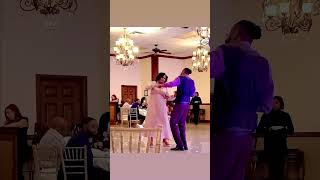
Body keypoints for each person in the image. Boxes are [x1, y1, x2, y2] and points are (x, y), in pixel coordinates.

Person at [211, 20, 274, 180]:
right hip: (247, 131)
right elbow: (266, 105)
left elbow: (205, 69)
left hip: (225, 127)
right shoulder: (263, 62)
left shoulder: (224, 52)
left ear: (237, 32)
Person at [256, 96, 294, 180]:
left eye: (276, 102)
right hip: (269, 146)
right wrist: (269, 130)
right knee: (270, 170)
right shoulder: (266, 115)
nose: (274, 104)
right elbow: (259, 130)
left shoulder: (285, 115)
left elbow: (291, 130)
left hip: (281, 146)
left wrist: (282, 130)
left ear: (281, 104)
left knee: (280, 169)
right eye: (272, 102)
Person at [159, 68, 196, 151]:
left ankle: (179, 145)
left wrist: (162, 85)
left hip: (180, 104)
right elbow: (193, 95)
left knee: (172, 123)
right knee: (182, 124)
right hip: (187, 104)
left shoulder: (180, 78)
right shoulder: (191, 81)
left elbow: (172, 84)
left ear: (183, 71)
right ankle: (184, 145)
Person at [144, 72, 171, 147]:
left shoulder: (165, 87)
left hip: (162, 106)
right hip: (153, 107)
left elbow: (167, 96)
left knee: (163, 121)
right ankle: (151, 140)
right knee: (152, 122)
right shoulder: (153, 83)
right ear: (159, 77)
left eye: (165, 78)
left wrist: (168, 96)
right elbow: (146, 87)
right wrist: (157, 85)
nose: (163, 79)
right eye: (162, 77)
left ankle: (165, 139)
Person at [3, 104, 29, 180]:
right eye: (6, 113)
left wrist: (5, 126)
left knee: (17, 169)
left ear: (15, 112)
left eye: (9, 112)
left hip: (22, 149)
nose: (7, 115)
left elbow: (18, 124)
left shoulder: (24, 120)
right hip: (11, 149)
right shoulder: (8, 123)